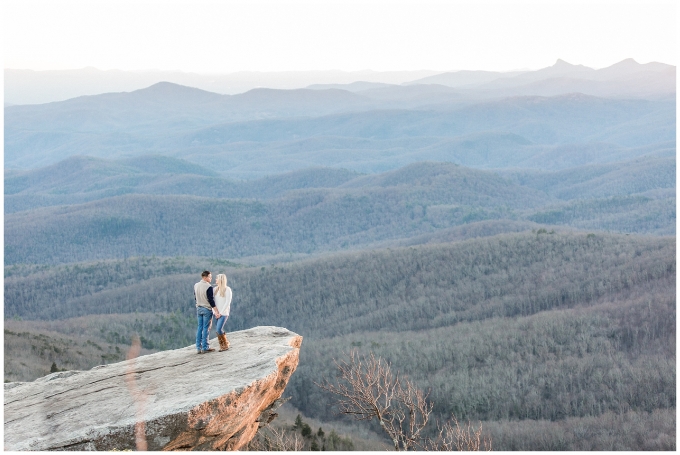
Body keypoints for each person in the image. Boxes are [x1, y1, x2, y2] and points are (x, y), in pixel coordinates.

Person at [194, 270, 220, 354]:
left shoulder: (196, 285)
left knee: (199, 327)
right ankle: (205, 347)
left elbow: (195, 297)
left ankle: (198, 347)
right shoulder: (208, 287)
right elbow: (211, 300)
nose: (211, 278)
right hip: (206, 309)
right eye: (209, 277)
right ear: (205, 277)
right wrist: (216, 310)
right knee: (206, 328)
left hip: (199, 308)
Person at [213, 274, 232, 351]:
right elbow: (212, 302)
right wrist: (215, 312)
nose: (215, 280)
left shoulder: (227, 290)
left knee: (219, 329)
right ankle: (223, 344)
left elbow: (227, 302)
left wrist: (221, 313)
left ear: (221, 280)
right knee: (218, 329)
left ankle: (225, 344)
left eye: (217, 279)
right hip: (216, 313)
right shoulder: (215, 289)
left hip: (224, 313)